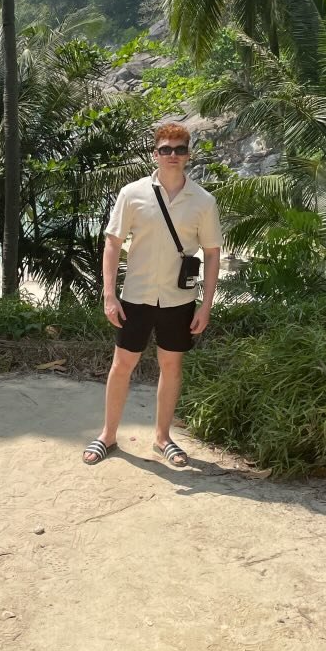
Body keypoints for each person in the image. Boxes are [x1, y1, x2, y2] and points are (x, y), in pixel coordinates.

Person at [82, 121, 222, 468]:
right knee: (122, 365)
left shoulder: (203, 201)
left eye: (179, 149)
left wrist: (206, 305)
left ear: (188, 154)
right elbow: (112, 243)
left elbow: (212, 253)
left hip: (179, 299)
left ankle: (162, 438)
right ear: (154, 154)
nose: (172, 155)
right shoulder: (133, 193)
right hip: (136, 295)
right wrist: (109, 295)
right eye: (165, 149)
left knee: (171, 366)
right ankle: (107, 436)